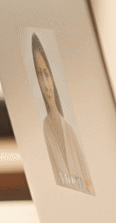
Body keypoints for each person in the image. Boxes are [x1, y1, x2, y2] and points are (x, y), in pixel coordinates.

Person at [32, 32, 94, 195]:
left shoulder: (70, 131)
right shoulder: (44, 129)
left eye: (47, 74)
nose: (46, 84)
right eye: (39, 74)